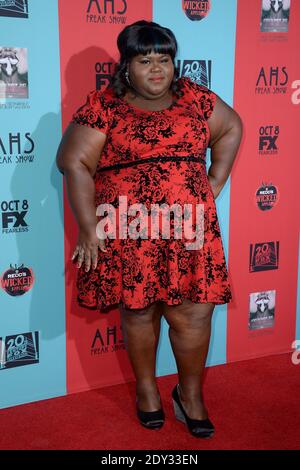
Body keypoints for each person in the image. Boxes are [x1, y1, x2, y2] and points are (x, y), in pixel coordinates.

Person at [56, 20, 243, 438]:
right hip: (129, 227)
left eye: (164, 59)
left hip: (189, 227)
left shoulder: (195, 97)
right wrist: (88, 228)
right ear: (127, 66)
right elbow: (74, 162)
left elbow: (231, 128)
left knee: (194, 310)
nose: (157, 69)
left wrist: (214, 181)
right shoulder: (104, 105)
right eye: (145, 60)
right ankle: (147, 391)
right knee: (139, 310)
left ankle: (189, 395)